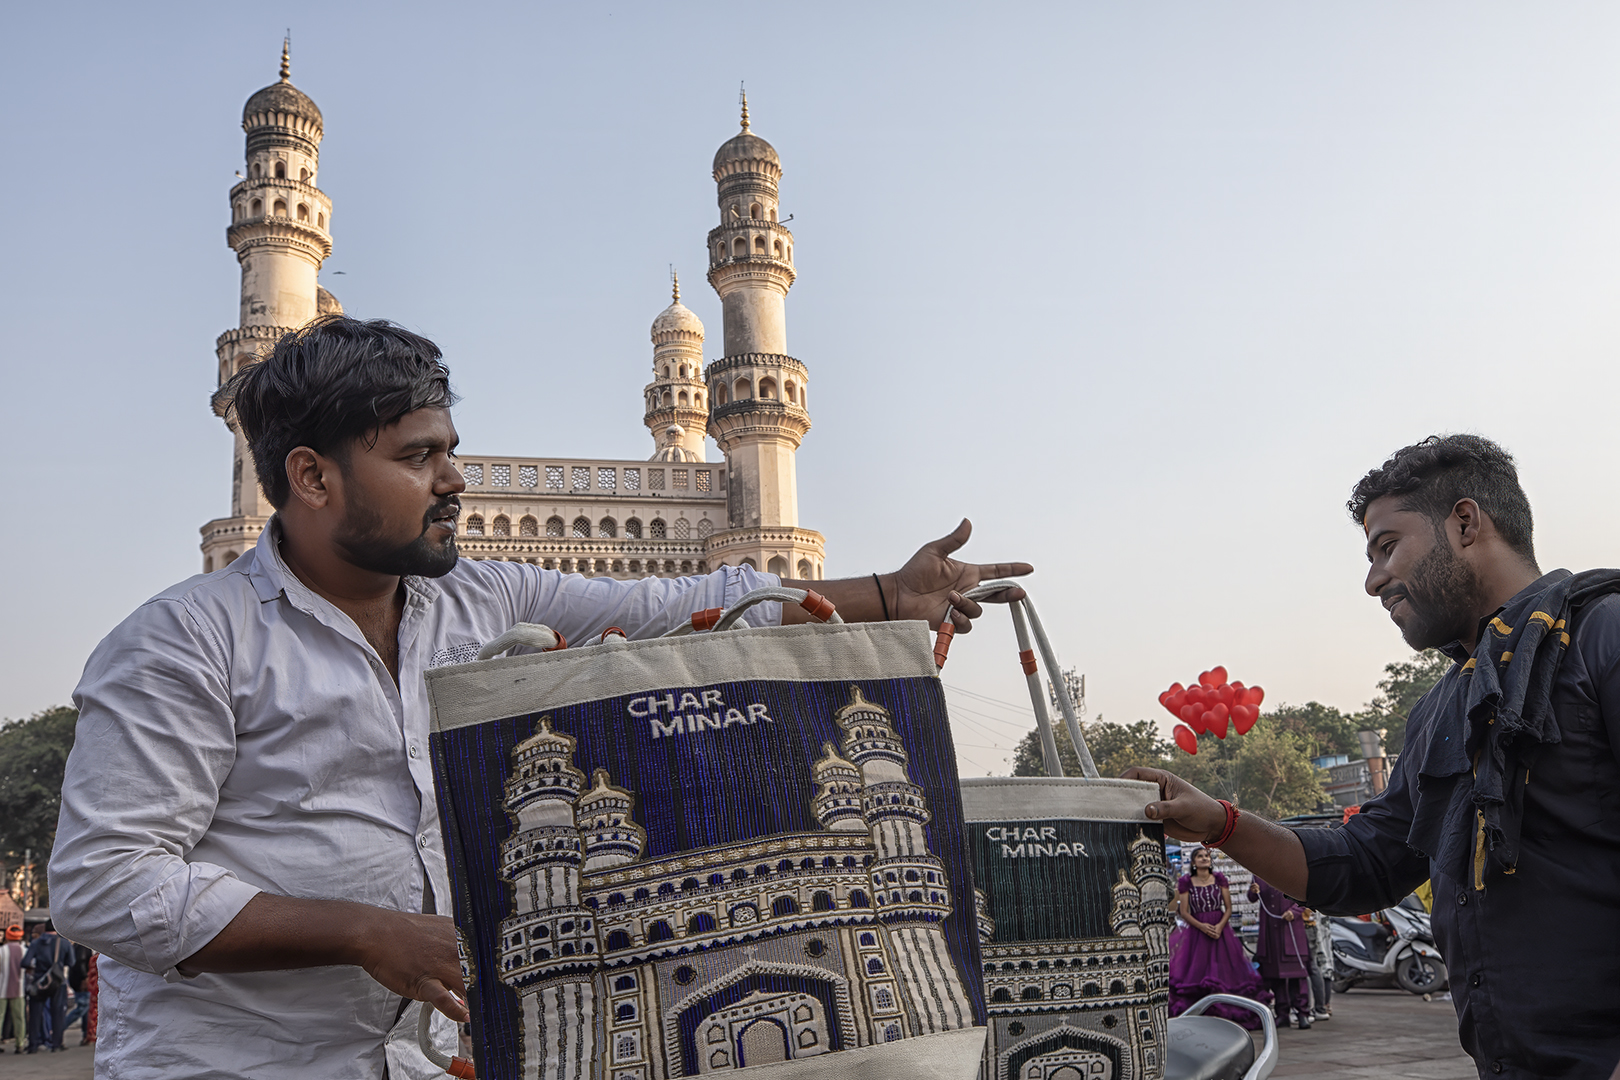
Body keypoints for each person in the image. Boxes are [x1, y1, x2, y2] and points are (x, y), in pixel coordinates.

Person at [48, 316, 1032, 1079]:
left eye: (449, 450)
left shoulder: (478, 599)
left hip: (422, 1060)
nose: (454, 480)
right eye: (417, 457)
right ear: (311, 477)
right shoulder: (185, 642)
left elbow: (679, 610)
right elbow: (104, 884)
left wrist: (888, 594)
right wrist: (364, 931)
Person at [1128, 434, 1620, 1079]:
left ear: (1465, 524)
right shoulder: (1443, 708)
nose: (1372, 581)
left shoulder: (1602, 635)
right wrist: (1221, 824)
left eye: (1388, 546)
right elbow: (1368, 863)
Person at [1168, 846, 1269, 1028]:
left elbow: (1228, 908)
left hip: (1220, 929)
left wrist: (1220, 926)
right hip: (1197, 931)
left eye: (1207, 856)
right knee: (1198, 969)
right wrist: (1202, 926)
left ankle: (1228, 1009)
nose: (1204, 858)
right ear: (1193, 862)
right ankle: (1200, 1011)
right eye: (1200, 856)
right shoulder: (1186, 882)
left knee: (1225, 968)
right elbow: (1184, 911)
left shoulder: (1220, 879)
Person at [1249, 876, 1311, 1029]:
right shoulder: (1258, 875)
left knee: (1297, 975)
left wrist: (1295, 911)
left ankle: (1302, 1013)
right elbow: (1252, 898)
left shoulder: (1291, 871)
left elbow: (1306, 897)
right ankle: (1282, 1014)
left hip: (1291, 932)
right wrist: (1253, 891)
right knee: (1275, 977)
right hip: (1270, 934)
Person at [21, 921, 67, 1053]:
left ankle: (33, 1045)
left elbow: (25, 962)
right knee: (57, 1012)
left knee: (35, 1013)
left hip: (39, 982)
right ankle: (56, 1044)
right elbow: (71, 961)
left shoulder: (36, 943)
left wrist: (34, 969)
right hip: (58, 982)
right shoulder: (63, 943)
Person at [1302, 907, 1332, 1021]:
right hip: (1313, 926)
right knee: (1313, 967)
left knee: (1304, 968)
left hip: (1304, 926)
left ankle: (1307, 1009)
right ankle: (1320, 1008)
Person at [1, 925, 24, 1053]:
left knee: (0, 1017)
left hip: (1, 989)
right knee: (19, 1017)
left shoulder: (2, 950)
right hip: (19, 989)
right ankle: (19, 1044)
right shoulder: (24, 950)